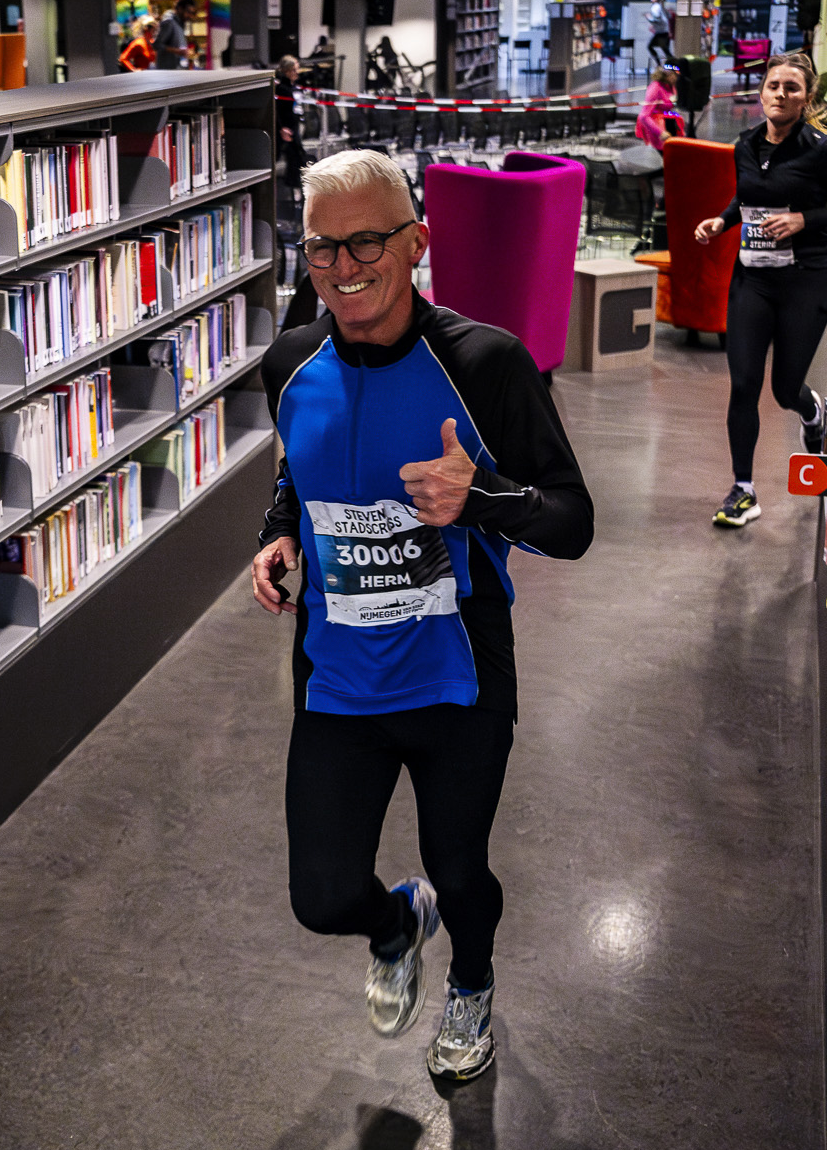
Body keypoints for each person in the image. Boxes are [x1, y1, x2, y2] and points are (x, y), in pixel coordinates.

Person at [250, 150, 595, 1082]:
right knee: (322, 896)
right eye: (323, 247)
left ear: (417, 244)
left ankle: (471, 984)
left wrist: (480, 497)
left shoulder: (485, 364)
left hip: (456, 678)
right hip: (337, 680)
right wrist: (277, 535)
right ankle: (398, 921)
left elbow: (573, 522)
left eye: (368, 241)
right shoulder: (289, 362)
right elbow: (297, 470)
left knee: (463, 866)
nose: (344, 266)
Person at [691, 51, 827, 528]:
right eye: (773, 86)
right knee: (743, 384)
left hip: (805, 281)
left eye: (791, 88)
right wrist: (722, 220)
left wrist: (804, 219)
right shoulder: (746, 144)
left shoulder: (823, 150)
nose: (781, 94)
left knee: (783, 390)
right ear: (761, 93)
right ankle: (744, 489)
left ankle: (812, 411)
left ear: (807, 97)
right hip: (752, 280)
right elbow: (747, 196)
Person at [634, 64, 680, 150]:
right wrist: (660, 133)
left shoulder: (671, 86)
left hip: (669, 123)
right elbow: (644, 116)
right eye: (675, 75)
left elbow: (672, 102)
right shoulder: (655, 88)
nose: (677, 78)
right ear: (668, 74)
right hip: (657, 128)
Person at [154, 0, 195, 70]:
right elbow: (157, 45)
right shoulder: (169, 22)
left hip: (176, 70)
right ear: (180, 9)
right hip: (167, 72)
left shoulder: (179, 23)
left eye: (192, 13)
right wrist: (177, 51)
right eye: (188, 12)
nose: (190, 16)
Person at [645, 0, 672, 68]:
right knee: (665, 49)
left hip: (661, 32)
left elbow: (657, 19)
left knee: (650, 46)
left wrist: (649, 18)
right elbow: (668, 16)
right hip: (664, 31)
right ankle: (673, 65)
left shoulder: (655, 7)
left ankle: (659, 64)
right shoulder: (661, 6)